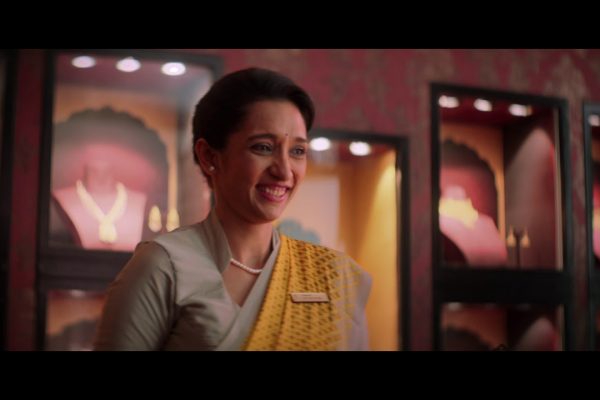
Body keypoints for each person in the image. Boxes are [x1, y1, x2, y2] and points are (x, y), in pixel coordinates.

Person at [93, 67, 372, 350]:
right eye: (263, 147)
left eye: (297, 151)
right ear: (209, 157)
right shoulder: (162, 268)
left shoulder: (332, 276)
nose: (284, 171)